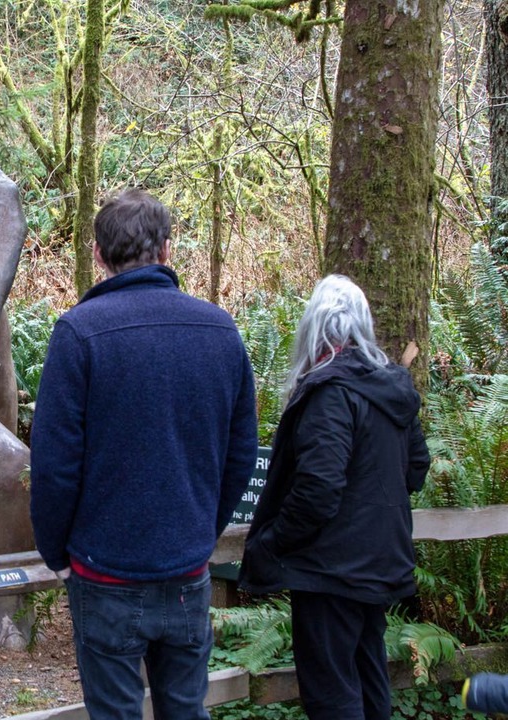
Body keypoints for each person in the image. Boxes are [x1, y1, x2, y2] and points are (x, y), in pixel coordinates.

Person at [29, 189, 258, 720]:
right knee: (186, 710)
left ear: (98, 254)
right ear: (167, 250)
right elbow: (239, 454)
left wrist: (57, 553)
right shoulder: (220, 331)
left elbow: (54, 467)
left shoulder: (79, 334)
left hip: (106, 573)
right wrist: (200, 528)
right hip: (184, 570)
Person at [238, 274, 430, 720]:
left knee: (332, 694)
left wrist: (273, 542)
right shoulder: (393, 390)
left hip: (331, 570)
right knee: (367, 678)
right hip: (378, 563)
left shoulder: (330, 392)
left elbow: (319, 490)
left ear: (314, 328)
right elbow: (415, 470)